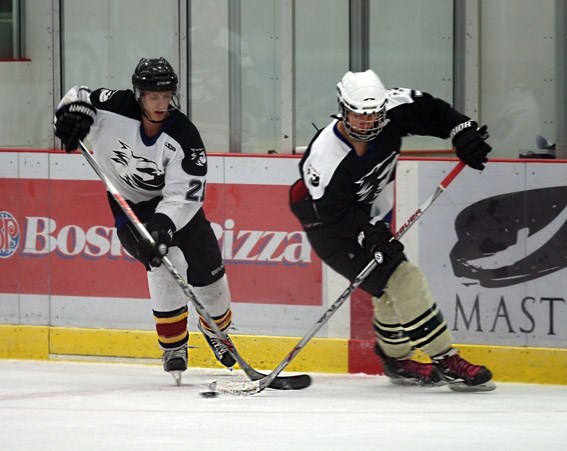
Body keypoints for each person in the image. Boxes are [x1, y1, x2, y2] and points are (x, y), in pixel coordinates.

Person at [289, 69, 495, 392]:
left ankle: (396, 359)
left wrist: (461, 130)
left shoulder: (392, 110)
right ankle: (446, 358)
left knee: (387, 286)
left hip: (370, 211)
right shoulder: (325, 157)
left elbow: (433, 111)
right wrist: (366, 234)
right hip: (327, 223)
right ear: (343, 110)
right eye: (360, 116)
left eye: (374, 115)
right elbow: (331, 211)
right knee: (403, 278)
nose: (369, 123)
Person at [54, 57, 236, 383]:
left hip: (179, 212)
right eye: (154, 96)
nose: (161, 103)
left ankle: (217, 331)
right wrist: (66, 118)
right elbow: (77, 97)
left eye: (167, 96)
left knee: (212, 283)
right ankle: (174, 347)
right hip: (131, 210)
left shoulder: (184, 135)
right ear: (139, 94)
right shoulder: (114, 106)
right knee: (166, 261)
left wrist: (165, 223)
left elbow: (185, 195)